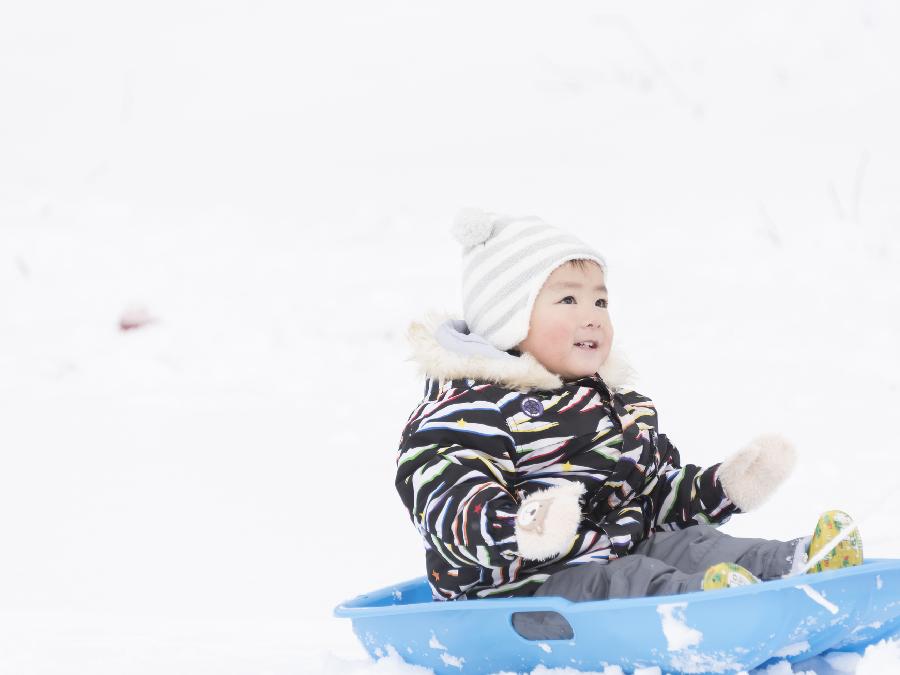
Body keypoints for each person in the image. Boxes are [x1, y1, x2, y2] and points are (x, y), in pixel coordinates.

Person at [394, 209, 862, 633]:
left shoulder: (615, 405)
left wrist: (722, 487)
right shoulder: (474, 409)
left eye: (600, 303)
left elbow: (652, 497)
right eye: (568, 301)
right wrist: (520, 525)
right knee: (633, 578)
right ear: (507, 321)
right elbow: (443, 496)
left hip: (616, 551)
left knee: (695, 546)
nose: (592, 317)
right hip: (523, 591)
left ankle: (797, 566)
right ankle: (709, 608)